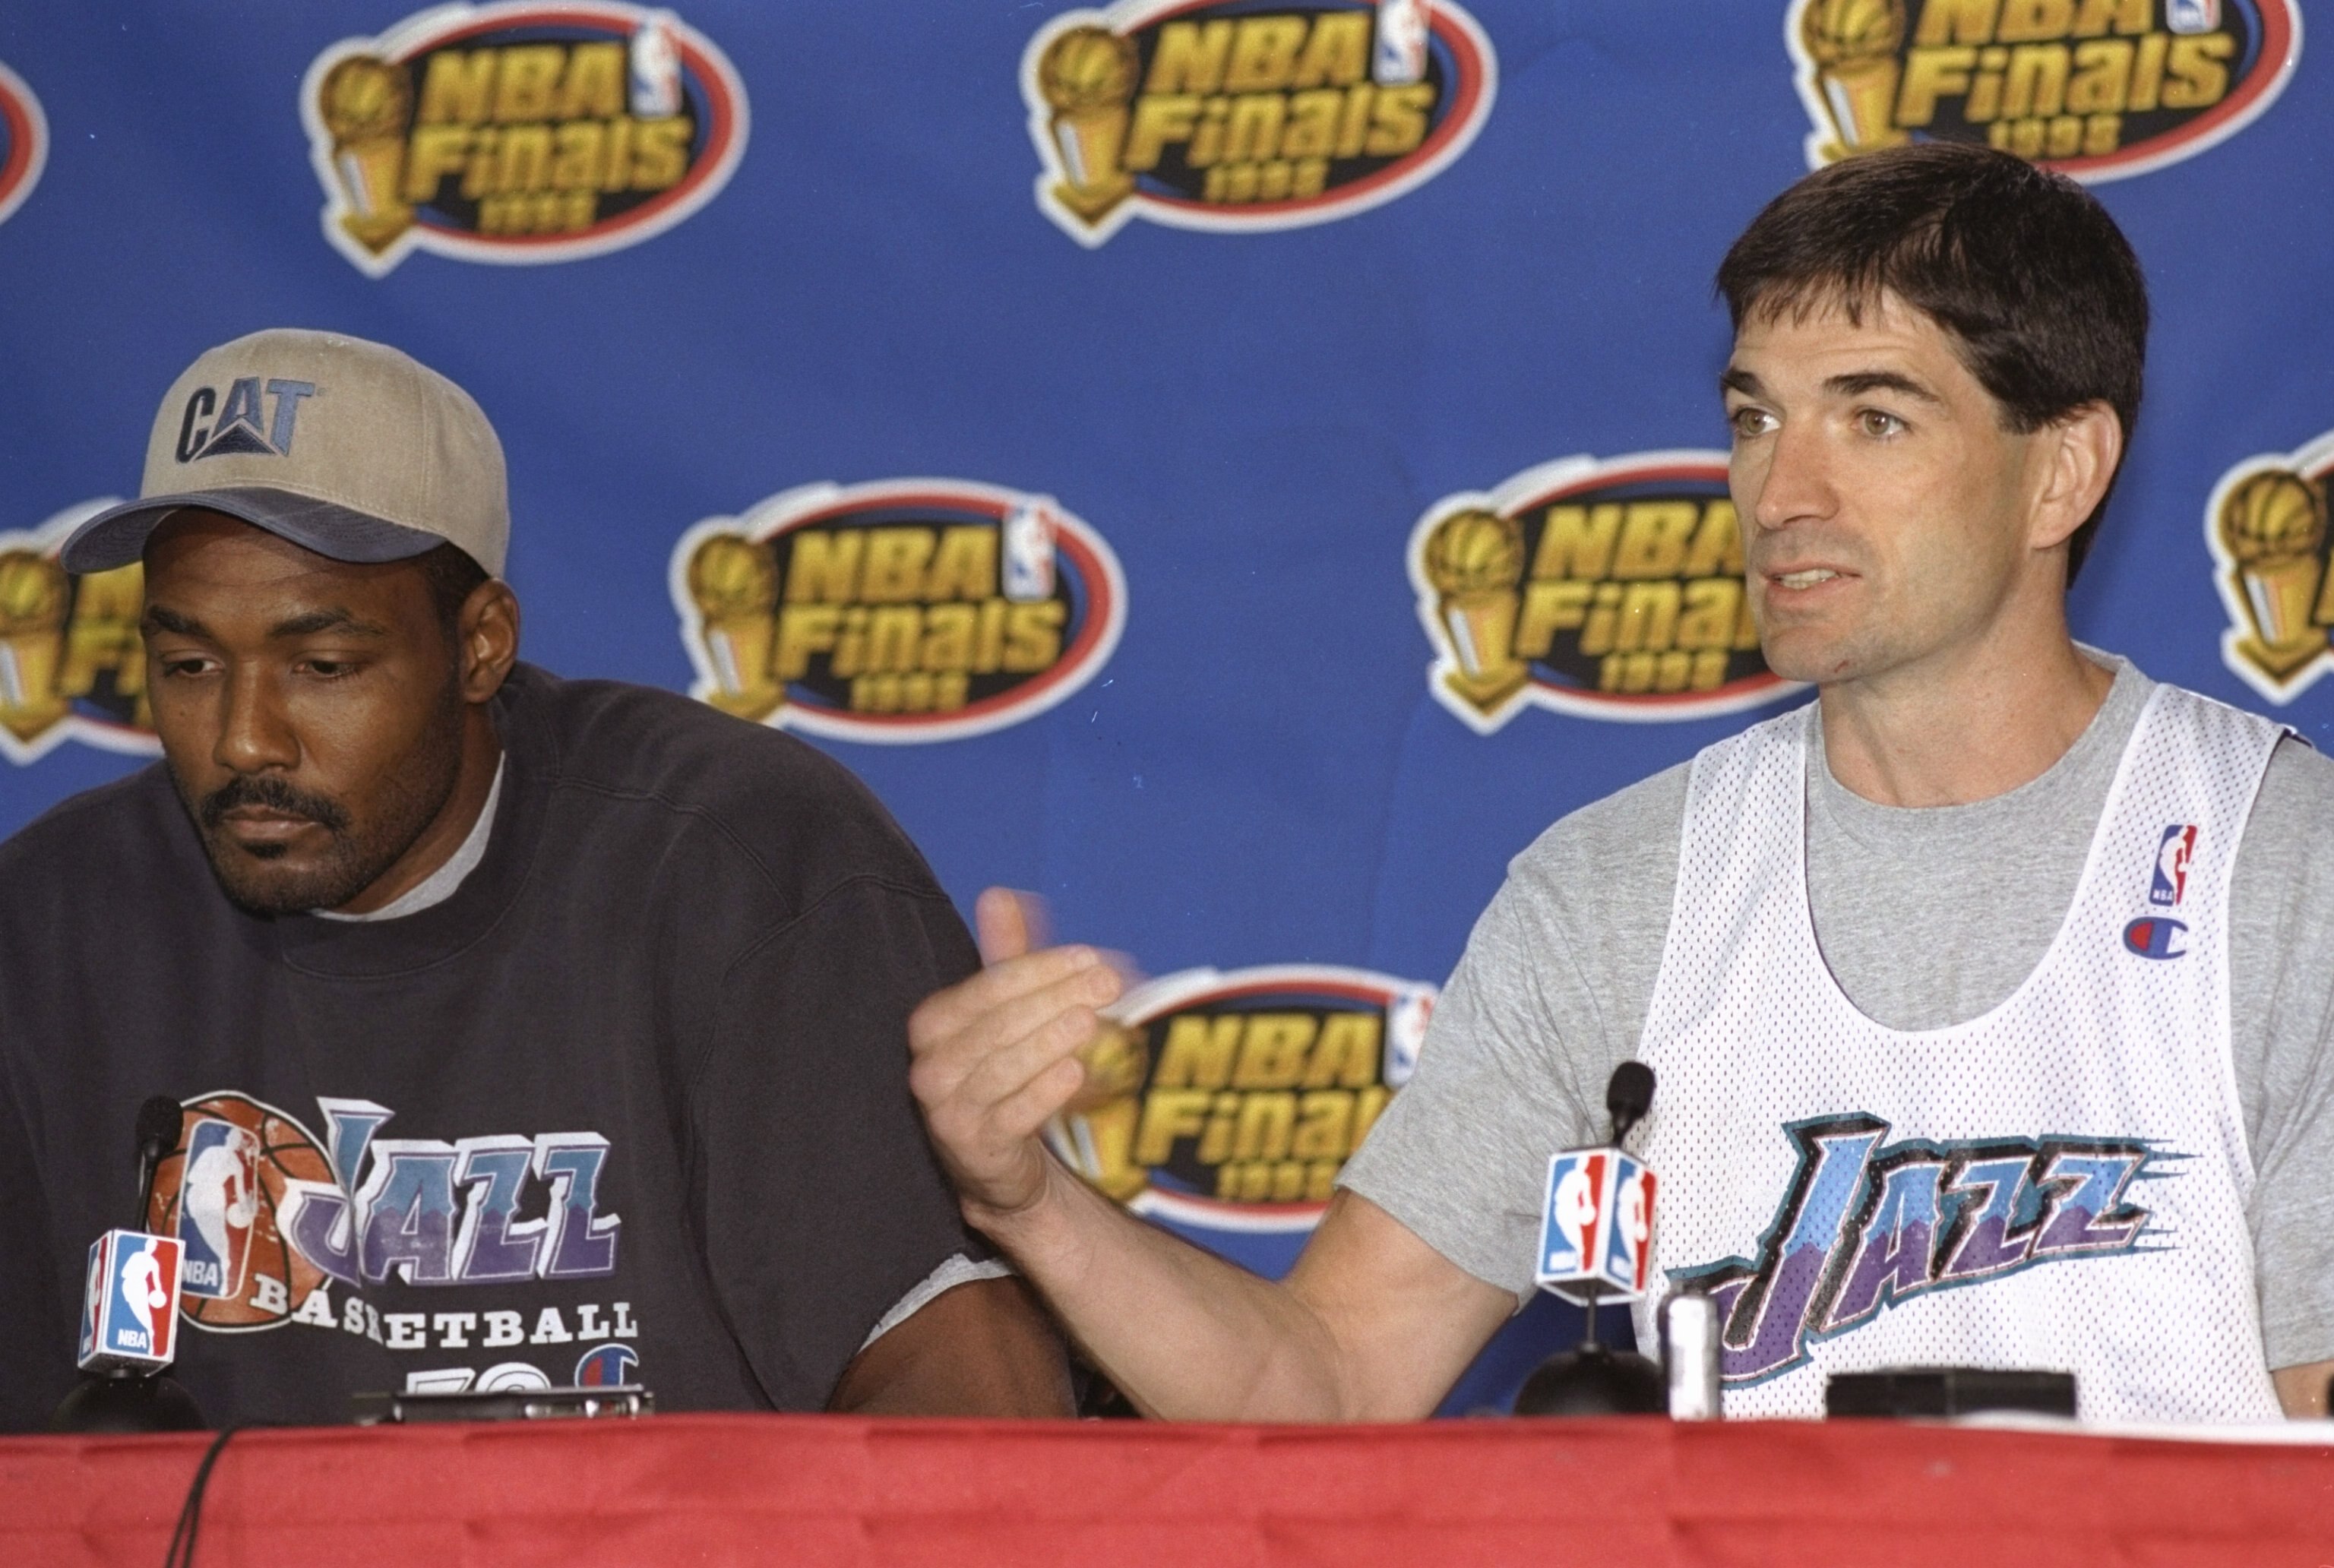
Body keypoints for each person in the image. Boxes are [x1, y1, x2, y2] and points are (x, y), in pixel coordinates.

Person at [907, 144, 2334, 1423]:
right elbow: (1327, 1382)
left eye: (1875, 418)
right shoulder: (1622, 890)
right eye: (1756, 417)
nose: (1783, 494)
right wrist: (1032, 1205)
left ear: (2063, 472)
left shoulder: (2279, 861)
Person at [0, 328, 1071, 1429]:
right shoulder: (51, 931)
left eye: (322, 667)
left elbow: (965, 1385)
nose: (243, 740)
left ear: (480, 645)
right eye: (189, 666)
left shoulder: (736, 866)